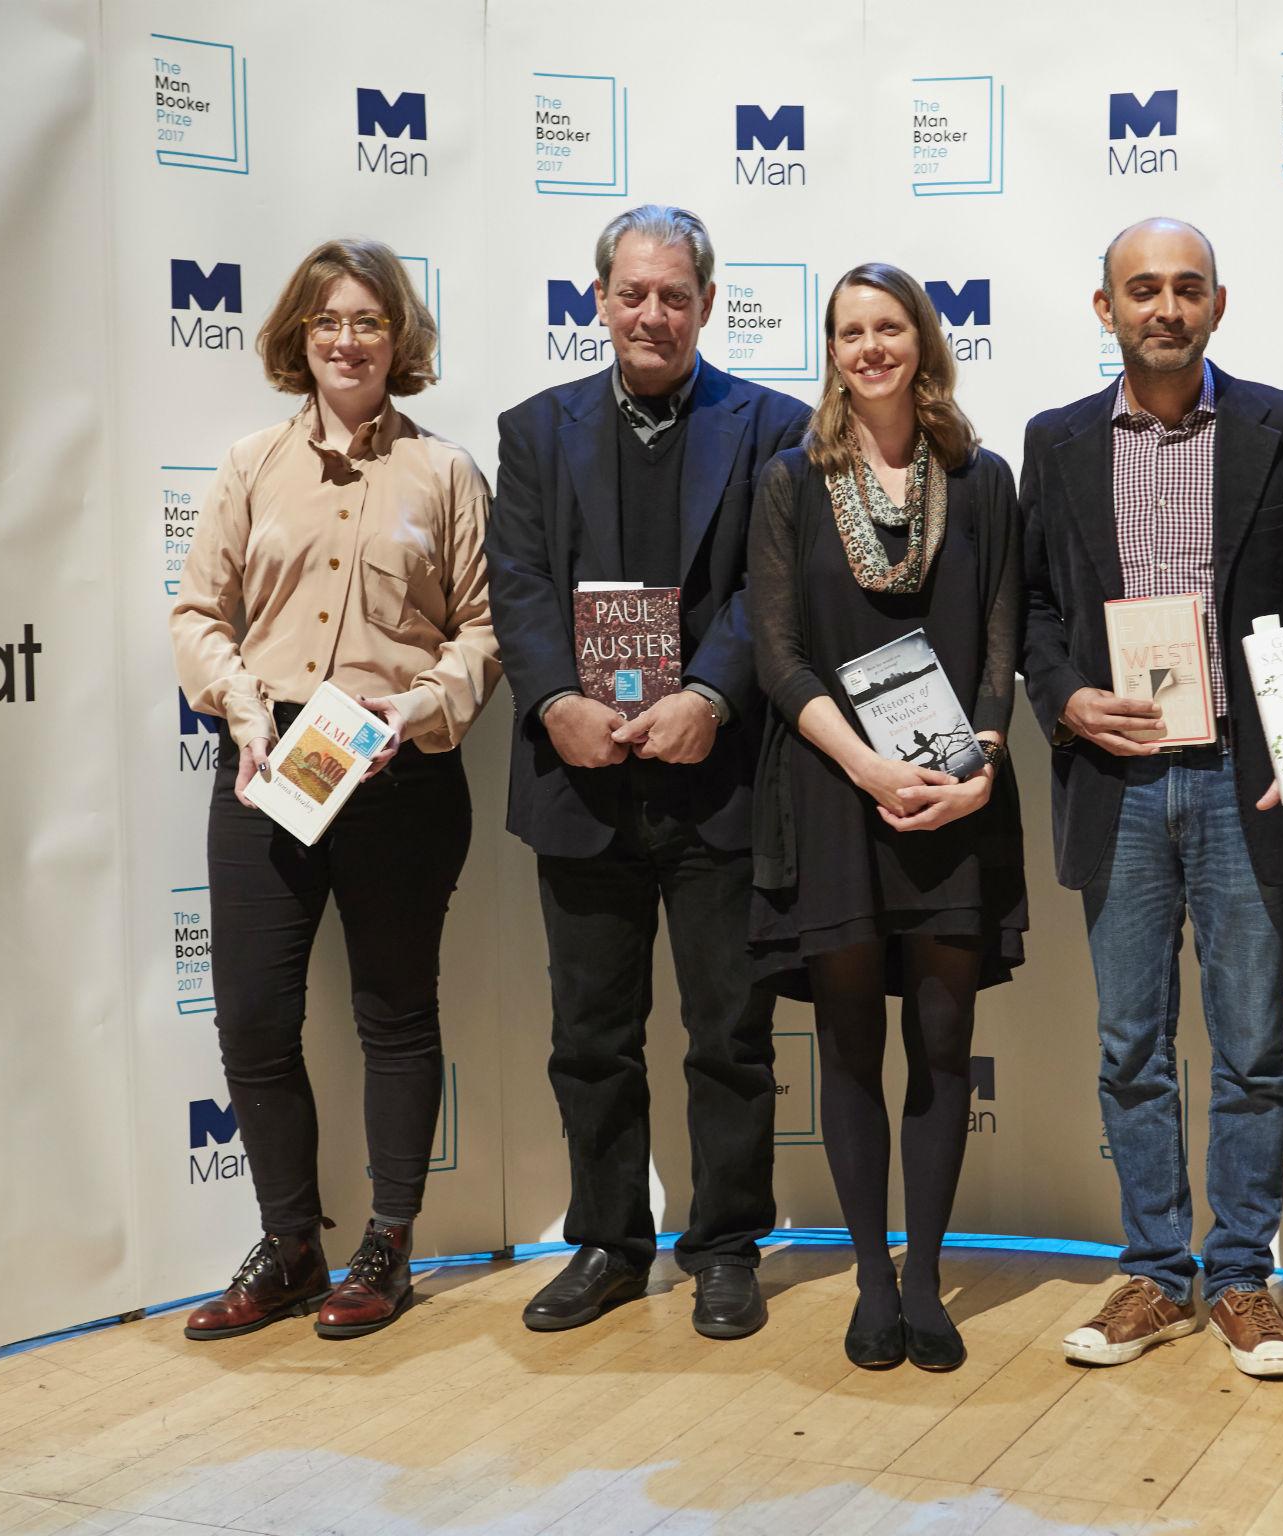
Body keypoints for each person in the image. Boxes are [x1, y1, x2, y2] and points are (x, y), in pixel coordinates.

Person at [486, 205, 808, 1337]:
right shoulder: (532, 431)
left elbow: (769, 593)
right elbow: (515, 586)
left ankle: (724, 1247)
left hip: (716, 779)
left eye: (675, 295)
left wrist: (709, 697)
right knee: (589, 1037)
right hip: (578, 781)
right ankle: (608, 1244)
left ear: (707, 305)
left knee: (729, 1036)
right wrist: (555, 701)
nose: (652, 314)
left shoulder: (775, 426)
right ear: (598, 300)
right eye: (632, 293)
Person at [170, 238, 498, 1341]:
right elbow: (197, 615)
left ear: (398, 338)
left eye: (367, 320)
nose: (347, 340)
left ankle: (389, 1243)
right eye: (326, 322)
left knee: (395, 1016)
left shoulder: (445, 472)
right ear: (297, 339)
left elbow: (485, 629)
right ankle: (292, 1245)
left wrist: (425, 704)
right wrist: (242, 706)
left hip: (399, 780)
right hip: (268, 773)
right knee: (256, 1022)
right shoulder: (251, 463)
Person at [1021, 218, 1283, 1379]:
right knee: (1129, 1044)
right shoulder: (1054, 442)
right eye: (1140, 289)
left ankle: (1242, 1277)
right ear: (1104, 309)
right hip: (1118, 780)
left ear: (1218, 304)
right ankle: (1155, 1271)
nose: (1164, 306)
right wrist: (1064, 700)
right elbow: (1037, 609)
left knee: (1252, 1047)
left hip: (1243, 780)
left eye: (1185, 288)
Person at [747, 263, 1025, 1372]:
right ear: (830, 348)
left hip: (955, 793)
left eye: (888, 327)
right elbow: (774, 650)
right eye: (849, 331)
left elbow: (1003, 635)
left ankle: (925, 1279)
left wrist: (986, 757)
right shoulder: (789, 480)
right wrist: (866, 766)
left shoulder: (981, 475)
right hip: (834, 792)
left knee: (946, 1044)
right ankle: (870, 1277)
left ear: (922, 342)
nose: (869, 347)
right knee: (850, 1043)